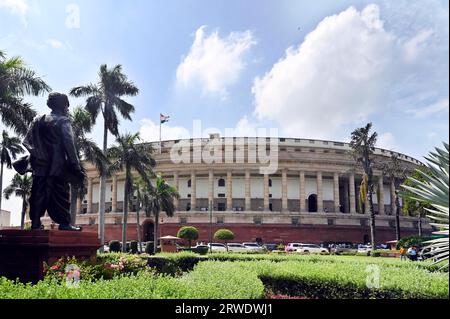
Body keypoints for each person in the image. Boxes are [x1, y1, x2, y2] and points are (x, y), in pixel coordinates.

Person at [22, 92, 85, 231]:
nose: (68, 109)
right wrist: (76, 167)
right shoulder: (63, 121)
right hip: (57, 166)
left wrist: (36, 153)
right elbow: (70, 146)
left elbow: (26, 141)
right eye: (67, 106)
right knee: (60, 194)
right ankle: (64, 223)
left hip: (40, 165)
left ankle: (35, 223)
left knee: (38, 192)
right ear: (63, 106)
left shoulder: (38, 119)